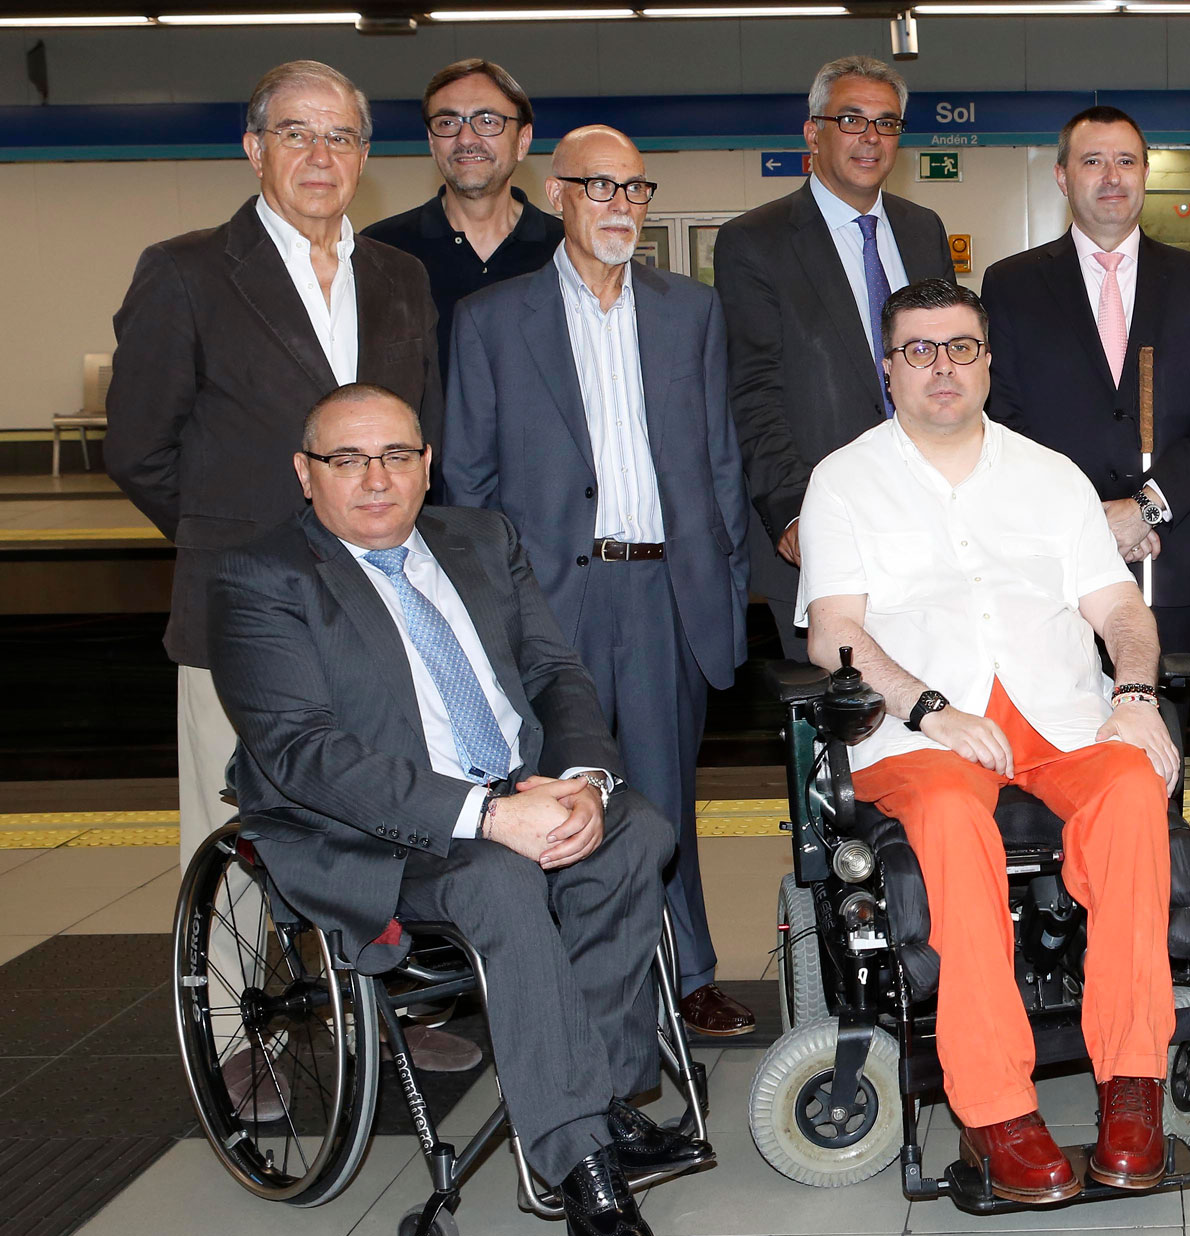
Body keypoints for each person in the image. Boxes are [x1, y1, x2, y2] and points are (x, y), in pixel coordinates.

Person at [209, 384, 711, 1236]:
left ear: (426, 464)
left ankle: (592, 1096)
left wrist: (585, 782)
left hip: (514, 788)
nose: (376, 479)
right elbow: (303, 752)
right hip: (373, 831)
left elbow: (554, 672)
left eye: (396, 456)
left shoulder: (481, 538)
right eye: (347, 459)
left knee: (636, 831)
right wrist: (486, 814)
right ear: (305, 473)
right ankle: (579, 1160)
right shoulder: (262, 576)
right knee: (498, 877)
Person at [798, 279, 1180, 1204]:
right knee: (947, 817)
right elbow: (833, 630)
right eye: (919, 349)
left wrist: (1135, 694)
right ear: (888, 368)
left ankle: (1133, 1082)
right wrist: (928, 707)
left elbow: (1119, 608)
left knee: (1132, 789)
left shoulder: (1050, 476)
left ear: (987, 362)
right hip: (918, 733)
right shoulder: (843, 480)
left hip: (1058, 713)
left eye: (960, 347)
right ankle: (996, 1106)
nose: (942, 366)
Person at [442, 126, 755, 1039]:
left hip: (663, 595)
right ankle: (563, 985)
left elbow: (721, 466)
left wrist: (725, 592)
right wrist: (495, 617)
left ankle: (688, 974)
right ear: (557, 195)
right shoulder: (494, 319)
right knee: (557, 799)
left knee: (664, 796)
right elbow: (467, 481)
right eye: (599, 187)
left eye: (635, 188)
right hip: (547, 603)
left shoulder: (691, 311)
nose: (621, 206)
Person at [106, 59, 438, 879]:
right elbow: (138, 449)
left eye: (341, 136)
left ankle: (367, 968)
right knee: (236, 849)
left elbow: (422, 433)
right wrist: (235, 546)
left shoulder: (400, 276)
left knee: (378, 832)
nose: (321, 155)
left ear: (364, 156)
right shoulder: (185, 272)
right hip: (239, 611)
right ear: (254, 149)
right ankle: (231, 972)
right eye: (296, 133)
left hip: (379, 609)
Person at [981, 104, 1190, 657]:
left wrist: (1144, 510)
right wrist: (1087, 520)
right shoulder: (1012, 285)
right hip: (1049, 568)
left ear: (1145, 173)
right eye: (1093, 161)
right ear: (1061, 176)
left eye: (1126, 161)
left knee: (1162, 711)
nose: (1112, 176)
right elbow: (1001, 423)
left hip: (1166, 563)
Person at [717, 54, 955, 662]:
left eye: (886, 123)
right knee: (839, 708)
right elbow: (752, 391)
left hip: (930, 525)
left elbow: (948, 370)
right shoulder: (754, 242)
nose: (870, 137)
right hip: (822, 530)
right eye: (851, 119)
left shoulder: (923, 229)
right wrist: (795, 512)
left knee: (938, 701)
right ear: (812, 132)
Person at [364, 58, 565, 368]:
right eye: (447, 123)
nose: (466, 139)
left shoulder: (567, 251)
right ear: (432, 143)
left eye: (487, 121)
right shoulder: (380, 252)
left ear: (522, 141)